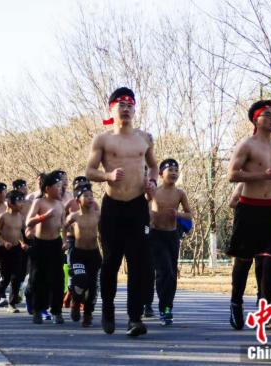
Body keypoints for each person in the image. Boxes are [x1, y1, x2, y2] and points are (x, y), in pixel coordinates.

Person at [86, 87, 158, 337]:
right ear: (111, 109)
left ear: (135, 109)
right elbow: (89, 171)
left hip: (138, 206)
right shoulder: (103, 139)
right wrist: (108, 175)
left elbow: (154, 166)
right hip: (113, 206)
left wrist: (153, 182)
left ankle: (135, 318)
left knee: (139, 264)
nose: (126, 108)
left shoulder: (145, 138)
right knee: (111, 262)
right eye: (121, 104)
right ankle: (107, 307)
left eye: (130, 105)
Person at [226, 99, 271, 331]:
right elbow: (232, 175)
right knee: (243, 261)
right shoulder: (247, 145)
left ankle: (268, 312)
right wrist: (261, 176)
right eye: (268, 114)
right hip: (249, 208)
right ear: (256, 119)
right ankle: (236, 302)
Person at [145, 159, 192, 325]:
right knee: (164, 271)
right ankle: (162, 307)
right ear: (160, 174)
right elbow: (143, 210)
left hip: (172, 236)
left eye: (176, 170)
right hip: (155, 236)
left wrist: (178, 215)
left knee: (171, 274)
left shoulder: (180, 193)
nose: (173, 173)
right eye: (170, 169)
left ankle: (167, 308)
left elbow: (189, 214)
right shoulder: (153, 192)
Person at [25, 170, 67, 324]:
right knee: (38, 279)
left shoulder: (60, 204)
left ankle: (57, 311)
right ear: (47, 188)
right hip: (40, 244)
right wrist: (43, 217)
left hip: (56, 244)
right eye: (57, 186)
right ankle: (37, 310)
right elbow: (28, 222)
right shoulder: (39, 202)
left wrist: (66, 239)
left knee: (58, 279)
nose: (60, 189)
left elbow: (63, 225)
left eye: (62, 186)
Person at [63, 184, 102, 327]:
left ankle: (87, 314)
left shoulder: (98, 214)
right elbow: (63, 226)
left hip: (94, 254)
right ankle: (76, 301)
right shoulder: (74, 216)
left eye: (91, 196)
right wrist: (65, 240)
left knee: (92, 286)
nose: (90, 198)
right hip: (78, 254)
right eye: (86, 196)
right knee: (80, 279)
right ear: (78, 200)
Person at [0, 190, 27, 313]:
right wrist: (3, 241)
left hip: (17, 249)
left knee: (16, 277)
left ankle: (12, 304)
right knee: (5, 278)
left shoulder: (20, 217)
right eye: (19, 201)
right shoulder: (3, 216)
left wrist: (22, 243)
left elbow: (19, 233)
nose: (21, 203)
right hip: (4, 250)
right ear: (10, 203)